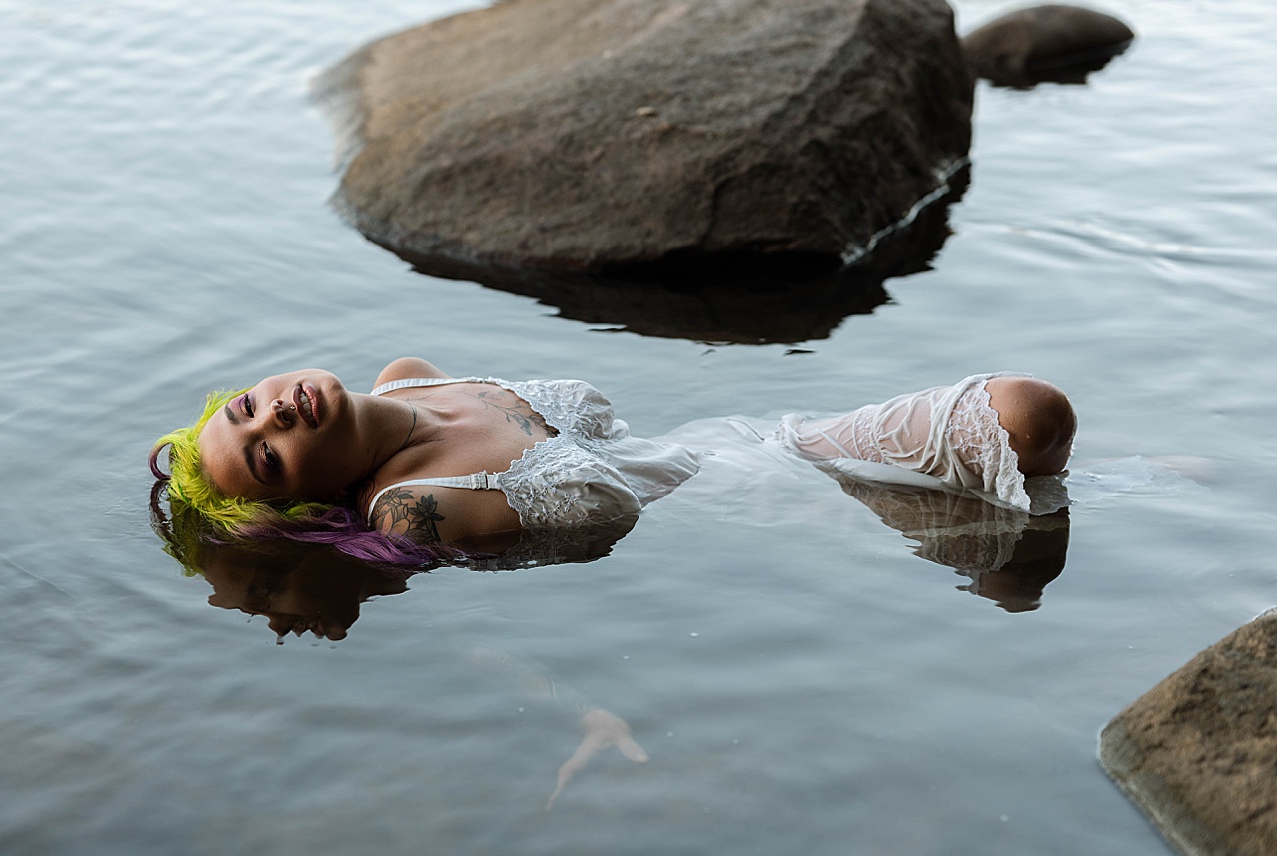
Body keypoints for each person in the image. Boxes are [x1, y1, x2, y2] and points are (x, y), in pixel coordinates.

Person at [149, 360, 1078, 568]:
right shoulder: (411, 512)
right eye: (266, 456)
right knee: (1027, 425)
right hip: (766, 528)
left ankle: (1112, 496)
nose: (273, 414)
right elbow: (492, 648)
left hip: (750, 445)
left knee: (1030, 424)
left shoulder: (414, 377)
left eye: (246, 408)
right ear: (309, 497)